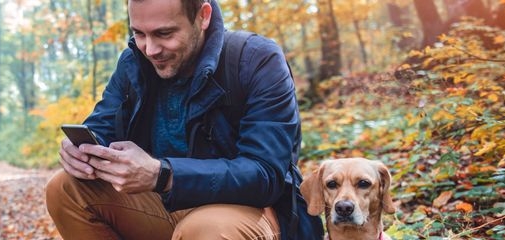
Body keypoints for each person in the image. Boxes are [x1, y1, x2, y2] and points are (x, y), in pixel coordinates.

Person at [45, 0, 323, 239]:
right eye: (139, 33)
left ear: (203, 16)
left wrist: (162, 174)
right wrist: (79, 151)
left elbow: (265, 176)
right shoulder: (134, 62)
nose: (150, 49)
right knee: (65, 189)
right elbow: (101, 126)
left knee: (205, 230)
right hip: (165, 207)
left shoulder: (255, 60)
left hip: (253, 212)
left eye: (164, 33)